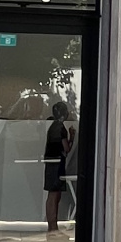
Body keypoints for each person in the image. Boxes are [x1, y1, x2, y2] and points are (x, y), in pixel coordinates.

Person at [43, 99, 74, 231]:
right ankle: (52, 226)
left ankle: (52, 225)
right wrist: (72, 137)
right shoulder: (60, 128)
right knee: (54, 194)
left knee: (53, 194)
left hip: (52, 163)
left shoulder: (53, 127)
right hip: (56, 163)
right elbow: (66, 149)